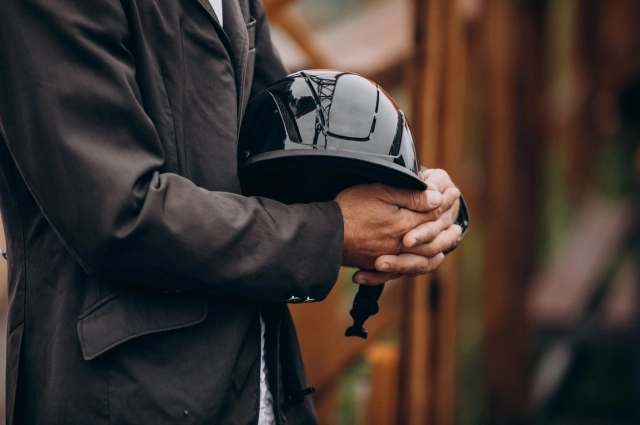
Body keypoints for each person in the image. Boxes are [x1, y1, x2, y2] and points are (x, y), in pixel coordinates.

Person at [0, 0, 465, 424]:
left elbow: (287, 137)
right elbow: (121, 214)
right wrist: (334, 234)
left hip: (259, 381)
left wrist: (415, 198)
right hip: (131, 397)